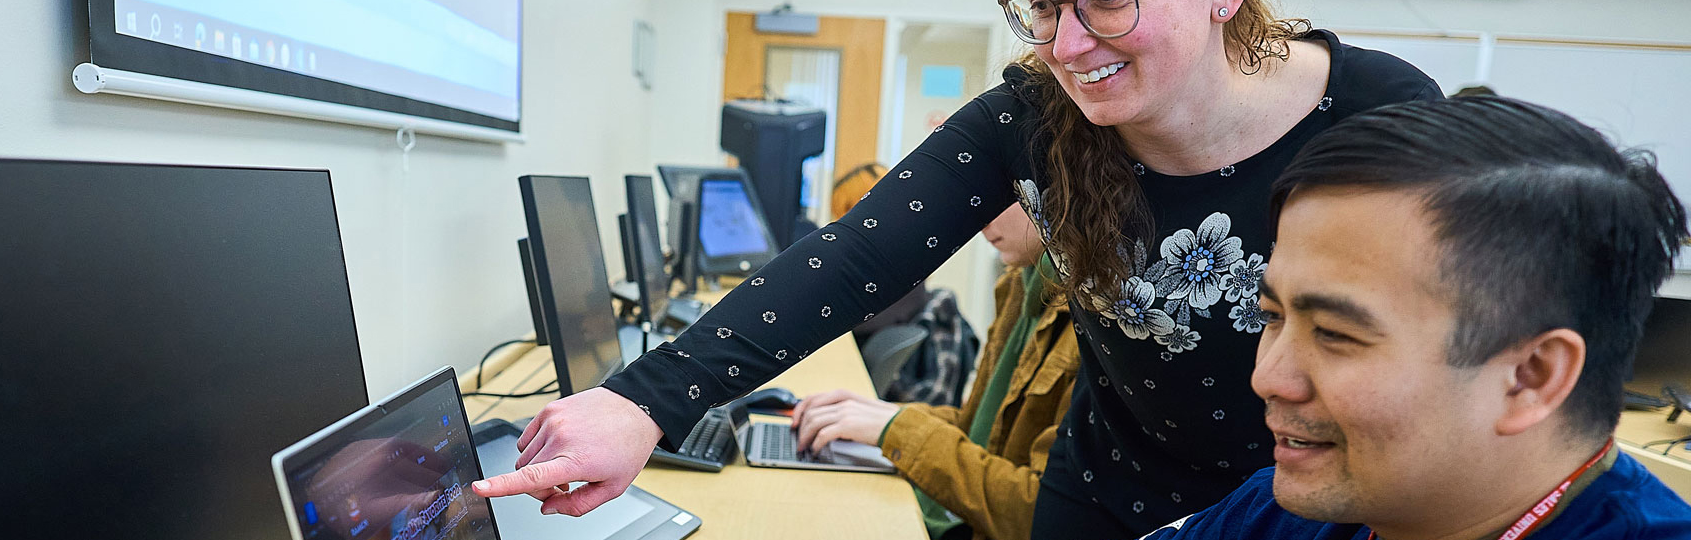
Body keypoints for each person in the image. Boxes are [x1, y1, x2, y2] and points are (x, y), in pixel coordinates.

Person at [474, 1, 1441, 536]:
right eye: (1044, 8)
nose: (1066, 45)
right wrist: (644, 402)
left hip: (1309, 509)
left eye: (1104, 0)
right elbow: (852, 256)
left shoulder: (1378, 114)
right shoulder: (1029, 115)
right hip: (1104, 495)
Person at [1138, 96, 1691, 539]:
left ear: (1531, 376)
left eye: (1334, 334)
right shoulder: (1286, 511)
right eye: (1273, 315)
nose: (1268, 378)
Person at [790, 201, 1081, 540]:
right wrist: (876, 415)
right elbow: (978, 432)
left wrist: (895, 429)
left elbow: (1040, 516)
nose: (981, 217)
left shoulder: (1092, 327)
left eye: (1004, 195)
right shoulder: (1022, 283)